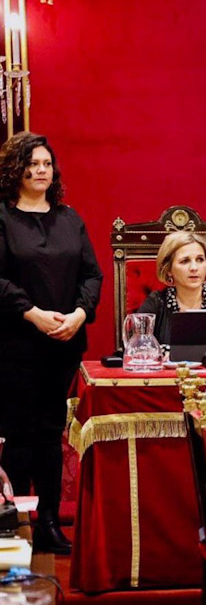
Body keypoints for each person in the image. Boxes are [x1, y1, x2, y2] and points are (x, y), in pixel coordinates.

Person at [0, 131, 102, 554]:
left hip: (62, 343)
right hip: (14, 346)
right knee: (17, 435)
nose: (42, 170)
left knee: (49, 434)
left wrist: (79, 314)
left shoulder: (69, 218)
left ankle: (47, 524)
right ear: (15, 170)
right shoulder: (2, 218)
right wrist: (33, 314)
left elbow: (91, 275)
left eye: (46, 164)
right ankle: (13, 522)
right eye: (33, 164)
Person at [137, 231, 206, 343]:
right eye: (185, 261)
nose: (194, 268)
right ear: (168, 270)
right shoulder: (156, 304)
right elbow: (135, 347)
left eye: (200, 260)